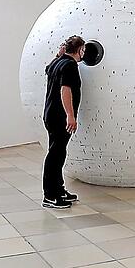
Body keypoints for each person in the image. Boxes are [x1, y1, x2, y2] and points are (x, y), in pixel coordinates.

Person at [41, 35, 85, 209]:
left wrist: (58, 55)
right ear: (80, 50)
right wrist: (71, 115)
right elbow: (65, 90)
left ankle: (59, 190)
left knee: (58, 154)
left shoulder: (58, 62)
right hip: (60, 118)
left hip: (51, 115)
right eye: (83, 50)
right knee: (55, 156)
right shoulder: (70, 65)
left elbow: (47, 69)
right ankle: (50, 196)